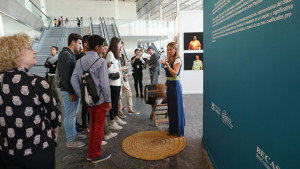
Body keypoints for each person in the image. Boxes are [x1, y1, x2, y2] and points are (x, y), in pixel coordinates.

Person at [0, 33, 61, 169]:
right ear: (16, 53)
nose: (34, 51)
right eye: (29, 48)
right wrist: (54, 133)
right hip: (37, 152)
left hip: (6, 153)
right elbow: (54, 117)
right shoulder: (36, 82)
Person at [71, 35, 112, 163]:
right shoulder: (101, 62)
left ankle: (90, 153)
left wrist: (81, 94)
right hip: (99, 99)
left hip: (88, 100)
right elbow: (105, 84)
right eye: (102, 46)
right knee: (99, 126)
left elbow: (73, 80)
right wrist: (109, 100)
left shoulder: (80, 61)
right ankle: (96, 155)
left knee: (92, 125)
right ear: (97, 47)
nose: (103, 49)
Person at [57, 33, 84, 147]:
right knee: (70, 115)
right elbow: (65, 77)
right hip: (68, 91)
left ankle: (72, 134)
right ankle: (70, 140)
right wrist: (71, 92)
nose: (80, 46)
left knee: (73, 114)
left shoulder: (70, 54)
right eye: (79, 43)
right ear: (72, 42)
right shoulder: (66, 55)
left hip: (71, 90)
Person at [160, 42, 185, 136]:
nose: (169, 51)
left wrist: (167, 65)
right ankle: (173, 129)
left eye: (171, 49)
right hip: (170, 85)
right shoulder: (171, 59)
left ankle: (178, 130)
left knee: (177, 108)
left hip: (175, 86)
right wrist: (166, 64)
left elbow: (175, 73)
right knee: (171, 108)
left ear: (175, 50)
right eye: (168, 49)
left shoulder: (177, 60)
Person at [106, 37, 127, 130]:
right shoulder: (110, 54)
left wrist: (122, 72)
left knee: (116, 101)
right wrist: (120, 69)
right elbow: (109, 70)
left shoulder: (115, 54)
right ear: (115, 44)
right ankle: (112, 122)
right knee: (113, 103)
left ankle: (116, 118)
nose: (120, 45)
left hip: (117, 82)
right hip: (112, 83)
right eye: (119, 44)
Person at [118, 41, 140, 118]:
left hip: (125, 79)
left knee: (129, 94)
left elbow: (127, 66)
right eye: (120, 46)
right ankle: (120, 111)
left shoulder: (123, 56)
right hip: (118, 80)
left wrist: (129, 72)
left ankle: (130, 109)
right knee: (119, 96)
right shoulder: (114, 56)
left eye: (122, 46)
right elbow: (113, 69)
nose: (121, 48)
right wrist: (121, 73)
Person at [76, 35, 91, 134]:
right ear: (85, 44)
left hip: (88, 85)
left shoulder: (86, 56)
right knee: (86, 107)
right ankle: (86, 127)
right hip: (84, 85)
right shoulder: (81, 56)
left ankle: (87, 125)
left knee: (88, 107)